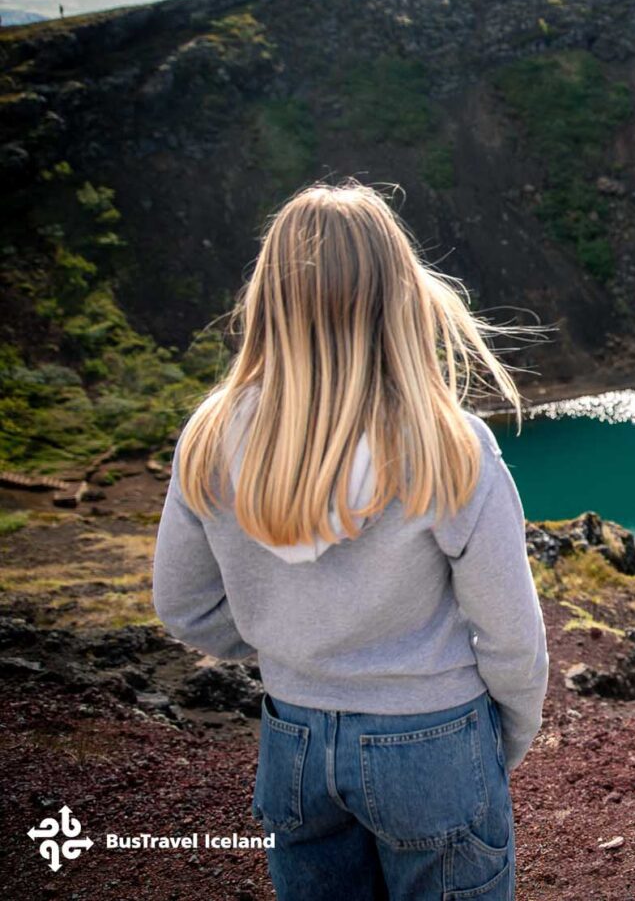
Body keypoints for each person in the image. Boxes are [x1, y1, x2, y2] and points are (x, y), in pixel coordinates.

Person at [153, 179, 550, 900]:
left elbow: (183, 607)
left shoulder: (210, 437)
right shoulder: (448, 444)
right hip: (436, 740)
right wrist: (504, 738)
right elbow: (512, 637)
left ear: (269, 295)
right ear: (398, 293)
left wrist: (294, 649)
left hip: (293, 741)